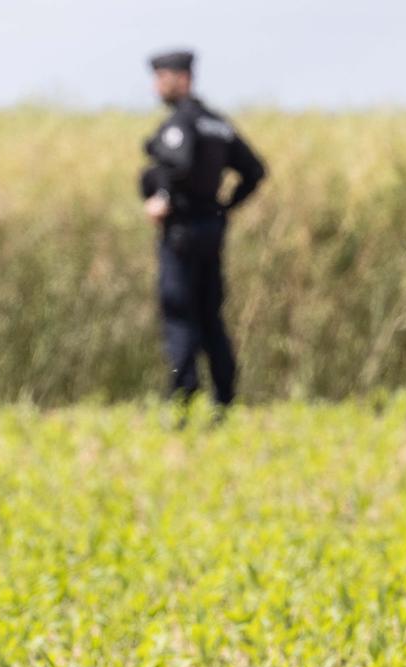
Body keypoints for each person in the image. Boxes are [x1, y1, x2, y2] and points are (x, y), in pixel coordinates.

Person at [141, 49, 268, 421]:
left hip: (181, 231)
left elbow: (176, 164)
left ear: (182, 78)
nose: (156, 86)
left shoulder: (181, 123)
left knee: (179, 313)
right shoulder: (218, 124)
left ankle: (182, 396)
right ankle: (225, 396)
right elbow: (255, 171)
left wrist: (160, 195)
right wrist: (225, 207)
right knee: (211, 314)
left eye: (161, 77)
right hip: (212, 231)